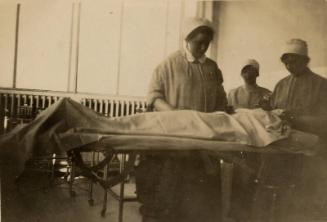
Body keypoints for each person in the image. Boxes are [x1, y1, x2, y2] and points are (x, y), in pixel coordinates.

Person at [135, 17, 227, 222]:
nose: (203, 47)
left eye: (206, 43)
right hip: (176, 143)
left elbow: (221, 100)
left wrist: (217, 120)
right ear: (187, 39)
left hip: (205, 141)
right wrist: (176, 116)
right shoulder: (168, 64)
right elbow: (154, 96)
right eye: (198, 42)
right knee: (172, 198)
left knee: (202, 202)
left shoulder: (212, 68)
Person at [252, 39, 327, 222]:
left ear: (305, 60)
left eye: (293, 60)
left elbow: (324, 121)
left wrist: (296, 119)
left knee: (303, 201)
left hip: (308, 153)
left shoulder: (321, 85)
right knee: (278, 199)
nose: (288, 65)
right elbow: (274, 113)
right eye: (285, 60)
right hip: (281, 151)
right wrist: (266, 109)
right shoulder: (281, 85)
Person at [227, 59, 271, 222]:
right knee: (238, 178)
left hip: (258, 142)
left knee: (255, 178)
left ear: (258, 73)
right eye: (245, 70)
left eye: (252, 71)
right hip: (238, 141)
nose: (248, 74)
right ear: (241, 73)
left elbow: (268, 118)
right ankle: (237, 215)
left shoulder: (266, 93)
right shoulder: (233, 93)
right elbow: (229, 116)